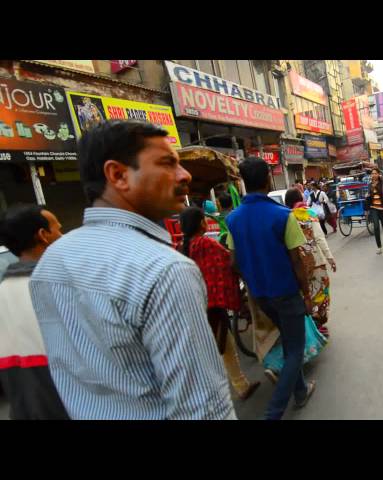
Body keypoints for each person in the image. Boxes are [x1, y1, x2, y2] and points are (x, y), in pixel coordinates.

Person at [29, 120, 235, 420]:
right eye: (167, 163)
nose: (185, 174)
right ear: (118, 175)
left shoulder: (53, 260)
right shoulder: (165, 270)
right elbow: (204, 409)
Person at [226, 157, 316, 420]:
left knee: (289, 342)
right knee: (296, 350)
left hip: (261, 295)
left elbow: (234, 262)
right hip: (286, 293)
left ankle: (300, 392)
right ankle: (273, 413)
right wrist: (307, 295)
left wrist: (255, 277)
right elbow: (297, 261)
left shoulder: (233, 219)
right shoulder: (282, 216)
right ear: (267, 179)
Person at [179, 206, 261, 402]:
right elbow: (229, 262)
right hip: (212, 305)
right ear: (201, 223)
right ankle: (216, 393)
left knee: (224, 345)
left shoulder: (183, 247)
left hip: (194, 305)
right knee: (218, 346)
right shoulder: (206, 243)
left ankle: (240, 386)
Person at [0, 204, 68, 420]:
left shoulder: (3, 293)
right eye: (58, 229)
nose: (63, 235)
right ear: (43, 236)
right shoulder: (60, 289)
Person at [285, 187, 336, 333]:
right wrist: (330, 258)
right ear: (301, 199)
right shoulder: (310, 213)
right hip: (316, 261)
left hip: (298, 264)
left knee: (305, 293)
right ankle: (318, 322)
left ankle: (309, 325)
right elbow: (320, 239)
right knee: (321, 291)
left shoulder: (287, 217)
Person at [368, 167, 383, 255]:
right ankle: (379, 247)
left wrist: (376, 187)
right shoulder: (369, 184)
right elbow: (369, 196)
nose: (373, 175)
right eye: (372, 173)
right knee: (376, 227)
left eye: (375, 173)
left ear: (378, 174)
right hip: (374, 208)